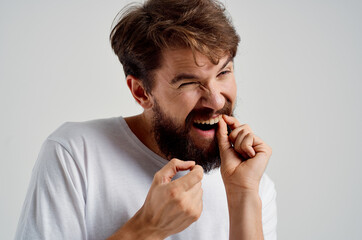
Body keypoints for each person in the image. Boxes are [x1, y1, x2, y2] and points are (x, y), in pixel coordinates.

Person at [15, 0, 277, 239]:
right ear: (141, 92)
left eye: (224, 72)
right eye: (189, 82)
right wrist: (147, 227)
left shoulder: (253, 183)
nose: (217, 101)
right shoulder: (74, 153)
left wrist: (243, 195)